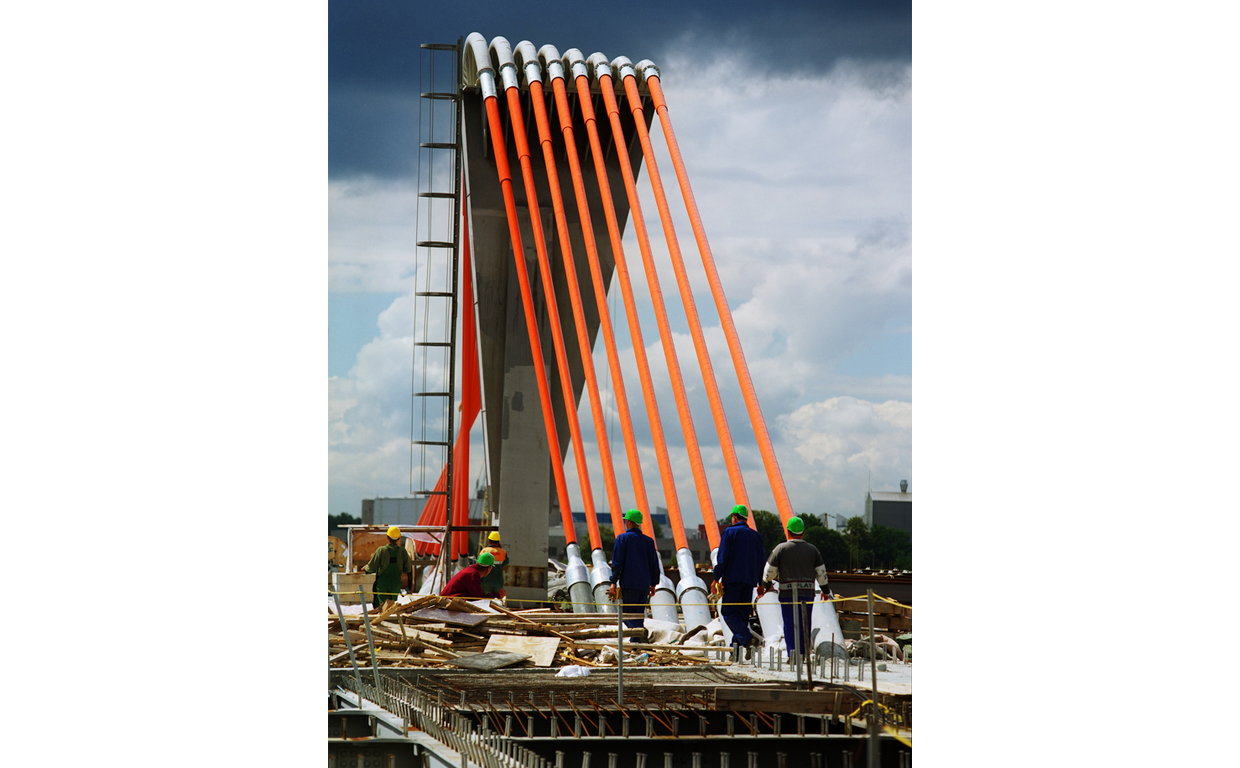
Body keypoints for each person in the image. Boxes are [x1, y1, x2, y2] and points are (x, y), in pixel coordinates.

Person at [760, 516, 829, 658]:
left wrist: (765, 585)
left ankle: (792, 654)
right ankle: (804, 653)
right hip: (807, 593)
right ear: (803, 533)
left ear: (788, 532)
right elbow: (821, 572)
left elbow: (769, 571)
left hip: (787, 593)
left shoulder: (780, 549)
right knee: (805, 622)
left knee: (790, 624)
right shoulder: (813, 550)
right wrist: (825, 590)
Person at [712, 504, 766, 649]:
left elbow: (722, 558)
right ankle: (736, 651)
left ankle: (748, 639)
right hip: (750, 581)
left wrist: (716, 578)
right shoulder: (756, 536)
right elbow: (762, 562)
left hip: (733, 580)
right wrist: (762, 584)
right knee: (741, 616)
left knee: (728, 612)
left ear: (734, 517)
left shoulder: (729, 532)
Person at [607, 509, 662, 628]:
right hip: (644, 585)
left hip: (629, 584)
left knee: (629, 616)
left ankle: (636, 639)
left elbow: (617, 562)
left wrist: (613, 582)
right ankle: (637, 642)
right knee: (638, 615)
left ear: (629, 522)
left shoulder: (622, 539)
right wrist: (653, 584)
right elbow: (654, 564)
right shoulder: (649, 542)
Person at [362, 526, 414, 609]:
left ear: (387, 537)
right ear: (399, 538)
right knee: (391, 608)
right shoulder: (402, 552)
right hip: (395, 584)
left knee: (381, 607)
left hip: (383, 583)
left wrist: (366, 568)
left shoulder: (381, 550)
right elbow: (408, 568)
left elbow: (371, 567)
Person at [440, 551, 506, 599]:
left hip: (448, 600)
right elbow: (478, 598)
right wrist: (497, 595)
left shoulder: (471, 571)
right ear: (489, 568)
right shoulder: (473, 574)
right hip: (447, 602)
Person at [478, 531, 507, 597]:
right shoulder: (503, 552)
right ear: (498, 542)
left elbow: (479, 564)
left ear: (489, 541)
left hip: (485, 581)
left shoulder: (484, 551)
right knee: (497, 601)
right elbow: (505, 563)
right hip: (498, 582)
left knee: (485, 600)